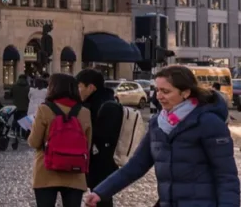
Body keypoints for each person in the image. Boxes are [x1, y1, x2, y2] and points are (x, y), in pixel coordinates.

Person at [85, 65, 238, 207]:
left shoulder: (208, 122)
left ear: (185, 92)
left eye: (166, 91)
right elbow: (136, 165)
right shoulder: (158, 124)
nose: (159, 96)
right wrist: (101, 192)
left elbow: (226, 175)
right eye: (157, 90)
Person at [27, 72, 92, 207]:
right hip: (75, 173)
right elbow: (87, 145)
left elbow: (34, 142)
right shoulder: (85, 112)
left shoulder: (44, 109)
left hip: (46, 172)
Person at [74, 69, 122, 207]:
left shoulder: (103, 106)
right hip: (100, 162)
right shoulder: (102, 101)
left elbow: (102, 136)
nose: (78, 91)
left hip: (102, 163)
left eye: (80, 87)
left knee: (102, 198)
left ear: (91, 87)